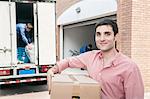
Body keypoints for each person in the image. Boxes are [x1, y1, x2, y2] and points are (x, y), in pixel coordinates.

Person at [48, 19, 144, 99]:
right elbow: (69, 61)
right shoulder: (90, 57)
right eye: (98, 34)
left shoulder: (129, 67)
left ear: (116, 37)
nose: (102, 38)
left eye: (107, 34)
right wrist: (53, 69)